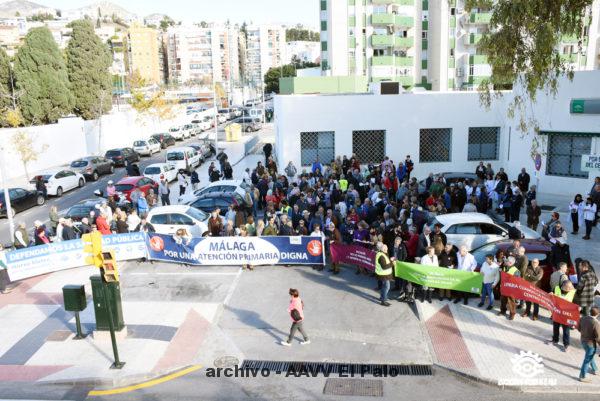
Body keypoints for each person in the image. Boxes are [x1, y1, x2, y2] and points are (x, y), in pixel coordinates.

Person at [551, 280, 576, 352]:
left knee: (566, 331)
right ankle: (555, 340)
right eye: (567, 288)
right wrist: (550, 295)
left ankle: (566, 345)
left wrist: (578, 308)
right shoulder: (556, 288)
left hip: (566, 315)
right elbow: (551, 297)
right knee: (555, 327)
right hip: (557, 312)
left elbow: (576, 302)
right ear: (563, 286)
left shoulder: (573, 292)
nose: (569, 289)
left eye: (570, 288)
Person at [577, 306, 600, 383]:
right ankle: (582, 376)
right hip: (591, 344)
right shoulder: (596, 323)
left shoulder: (583, 318)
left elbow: (578, 328)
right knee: (587, 360)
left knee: (589, 356)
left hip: (583, 341)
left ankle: (595, 369)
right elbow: (598, 337)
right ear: (598, 314)